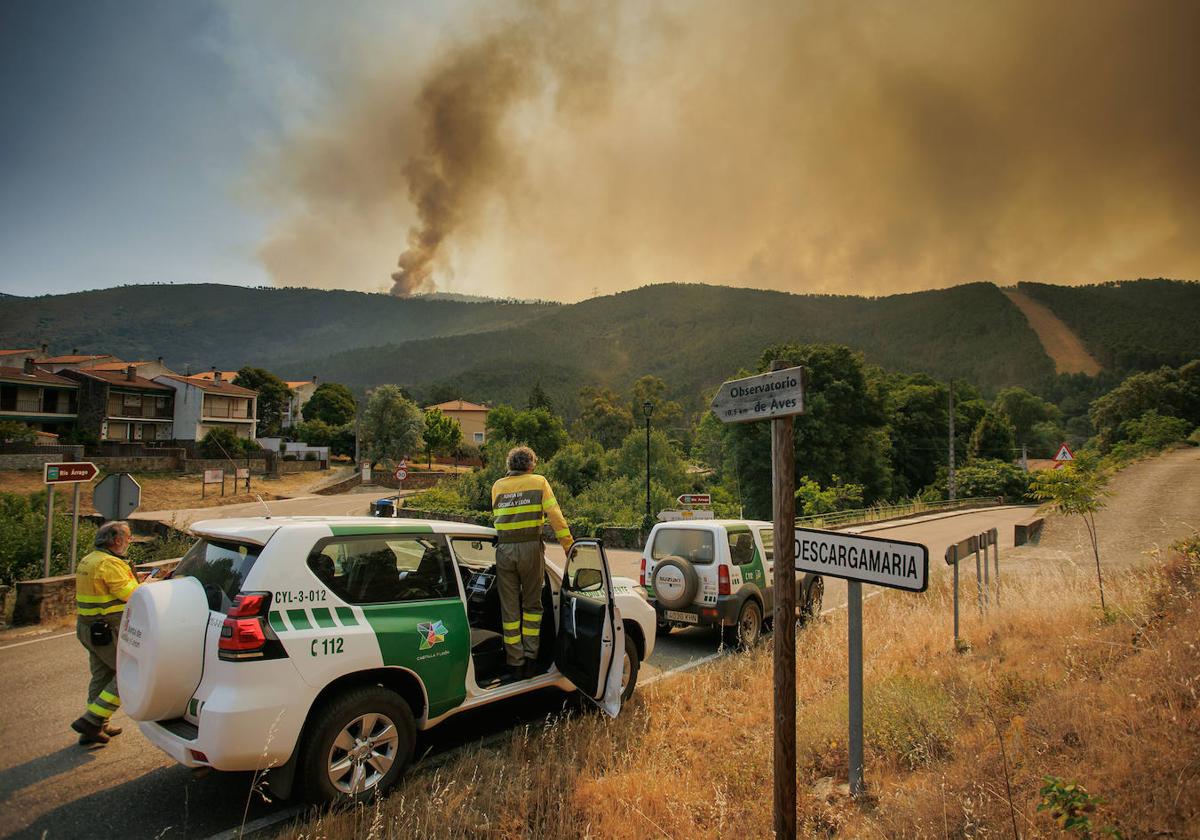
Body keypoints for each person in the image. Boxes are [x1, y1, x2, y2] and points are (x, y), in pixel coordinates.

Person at [491, 446, 573, 679]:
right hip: (530, 548)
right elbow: (555, 516)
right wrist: (568, 544)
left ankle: (514, 662)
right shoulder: (539, 482)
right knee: (532, 607)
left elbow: (498, 518)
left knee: (509, 608)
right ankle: (530, 660)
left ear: (510, 465)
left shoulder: (497, 486)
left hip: (504, 550)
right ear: (530, 464)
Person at [71, 520, 139, 746]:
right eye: (129, 538)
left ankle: (96, 727)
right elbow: (133, 595)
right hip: (108, 630)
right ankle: (92, 720)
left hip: (88, 628)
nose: (130, 542)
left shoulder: (88, 560)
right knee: (129, 674)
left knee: (102, 675)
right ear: (117, 540)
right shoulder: (109, 564)